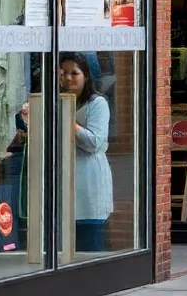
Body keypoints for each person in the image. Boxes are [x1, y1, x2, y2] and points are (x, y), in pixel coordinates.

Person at [60, 53, 112, 250]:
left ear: (86, 76)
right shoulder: (58, 101)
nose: (68, 78)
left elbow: (95, 143)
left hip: (89, 179)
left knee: (89, 242)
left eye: (75, 73)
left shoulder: (97, 103)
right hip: (65, 180)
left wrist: (69, 122)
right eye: (64, 73)